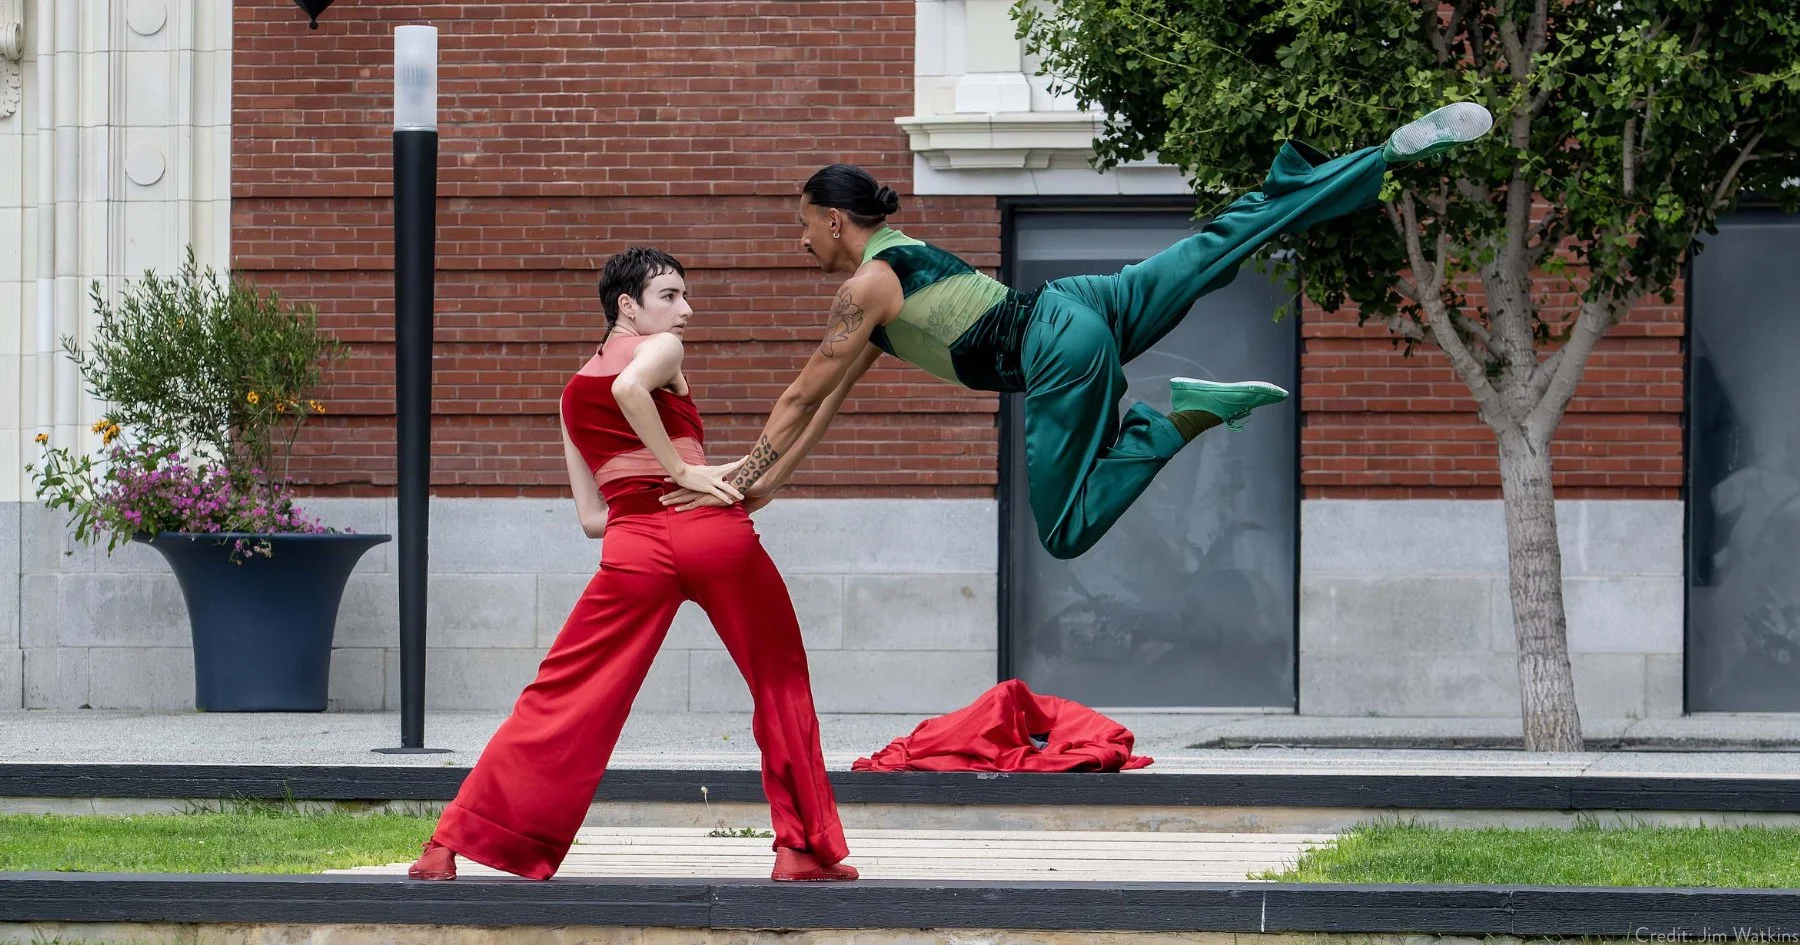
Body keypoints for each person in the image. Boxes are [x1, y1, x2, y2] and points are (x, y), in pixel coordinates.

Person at [664, 103, 1495, 558]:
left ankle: (1177, 420)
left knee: (1063, 533)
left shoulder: (866, 288)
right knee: (1218, 244)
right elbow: (828, 405)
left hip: (1056, 349)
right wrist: (754, 484)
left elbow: (802, 389)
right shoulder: (893, 272)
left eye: (804, 225)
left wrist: (735, 473)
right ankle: (1375, 158)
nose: (799, 240)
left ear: (837, 221)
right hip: (1080, 303)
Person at [408, 247, 858, 884]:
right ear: (628, 306)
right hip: (712, 534)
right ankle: (800, 850)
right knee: (779, 682)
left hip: (632, 548)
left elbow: (593, 518)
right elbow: (629, 387)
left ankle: (446, 846)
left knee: (560, 694)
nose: (685, 312)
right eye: (670, 296)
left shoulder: (569, 397)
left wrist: (671, 484)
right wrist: (681, 471)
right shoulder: (664, 353)